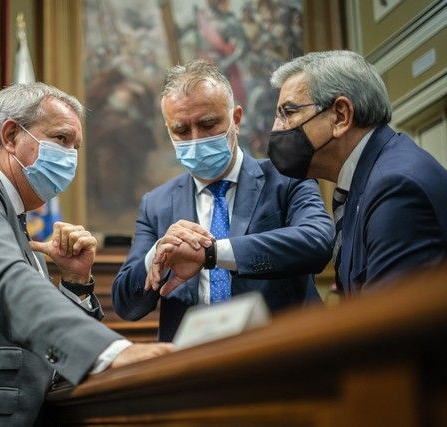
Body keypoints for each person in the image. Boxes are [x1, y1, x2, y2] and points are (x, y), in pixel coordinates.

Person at [0, 83, 173, 427]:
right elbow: (5, 283)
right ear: (10, 135)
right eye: (61, 139)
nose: (71, 157)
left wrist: (76, 281)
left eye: (76, 147)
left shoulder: (16, 224)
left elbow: (44, 349)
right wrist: (110, 352)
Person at [112, 60, 334, 342]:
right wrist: (158, 253)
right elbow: (126, 304)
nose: (196, 139)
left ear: (236, 119)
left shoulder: (286, 177)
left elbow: (317, 242)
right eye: (181, 130)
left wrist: (212, 254)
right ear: (168, 131)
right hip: (196, 370)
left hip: (281, 356)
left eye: (208, 124)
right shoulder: (156, 204)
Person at [268, 50, 447, 295]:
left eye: (288, 113)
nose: (276, 128)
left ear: (341, 116)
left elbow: (392, 324)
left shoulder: (394, 187)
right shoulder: (365, 182)